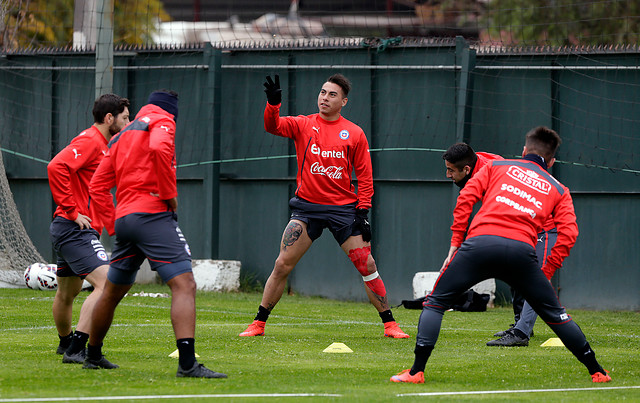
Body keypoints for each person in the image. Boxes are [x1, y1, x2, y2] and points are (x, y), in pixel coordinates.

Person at [391, 127, 611, 384]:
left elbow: (466, 198)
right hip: (522, 253)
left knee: (436, 303)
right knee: (556, 316)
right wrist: (547, 271)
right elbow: (569, 234)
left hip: (479, 245)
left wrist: (455, 244)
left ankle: (416, 372)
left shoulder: (497, 166)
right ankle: (597, 371)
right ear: (551, 162)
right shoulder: (559, 189)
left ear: (523, 151)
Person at [239, 74, 409, 339]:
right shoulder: (302, 124)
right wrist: (273, 104)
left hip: (344, 211)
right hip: (306, 210)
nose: (325, 98)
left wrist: (362, 211)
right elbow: (272, 127)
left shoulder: (354, 133)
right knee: (282, 264)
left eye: (332, 95)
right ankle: (258, 323)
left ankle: (390, 325)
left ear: (344, 101)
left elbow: (364, 176)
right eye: (322, 92)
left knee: (367, 265)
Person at [86, 90, 227, 379]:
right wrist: (169, 196)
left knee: (111, 293)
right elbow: (161, 149)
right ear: (172, 112)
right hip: (152, 215)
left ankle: (92, 354)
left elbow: (97, 186)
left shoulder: (120, 135)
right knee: (185, 284)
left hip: (126, 220)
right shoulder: (163, 121)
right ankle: (188, 364)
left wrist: (113, 226)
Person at [443, 143, 556, 347]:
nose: (447, 175)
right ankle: (519, 324)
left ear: (466, 169)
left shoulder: (494, 173)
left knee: (536, 279)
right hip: (522, 225)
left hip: (543, 226)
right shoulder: (477, 164)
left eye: (451, 170)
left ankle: (522, 333)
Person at [47, 93, 130, 364]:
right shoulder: (90, 141)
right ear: (109, 119)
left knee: (67, 292)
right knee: (107, 284)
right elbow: (56, 166)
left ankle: (64, 343)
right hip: (73, 229)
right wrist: (72, 211)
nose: (128, 123)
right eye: (125, 118)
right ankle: (76, 349)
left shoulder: (104, 145)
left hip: (68, 229)